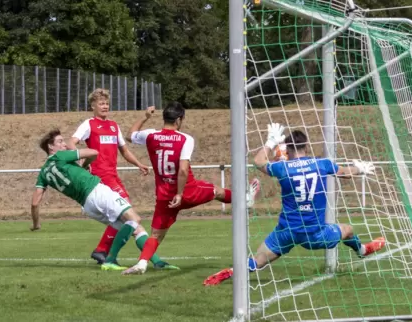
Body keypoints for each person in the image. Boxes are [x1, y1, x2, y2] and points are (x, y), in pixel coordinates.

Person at [202, 123, 386, 286]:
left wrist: (271, 142)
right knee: (347, 230)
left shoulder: (283, 168)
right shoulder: (321, 164)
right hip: (314, 233)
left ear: (287, 149)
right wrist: (360, 169)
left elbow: (258, 162)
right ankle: (362, 250)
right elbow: (345, 172)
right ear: (306, 146)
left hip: (286, 232)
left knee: (258, 260)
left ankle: (232, 272)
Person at [120, 102, 260, 275]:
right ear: (179, 120)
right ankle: (245, 198)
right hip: (187, 191)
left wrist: (145, 117)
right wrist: (179, 193)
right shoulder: (185, 139)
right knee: (216, 191)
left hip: (164, 196)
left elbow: (129, 135)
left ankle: (142, 263)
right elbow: (183, 169)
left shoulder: (150, 135)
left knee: (156, 235)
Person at [67, 88, 177, 270]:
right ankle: (152, 260)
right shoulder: (89, 124)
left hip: (113, 176)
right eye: (101, 103)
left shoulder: (113, 126)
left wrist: (139, 164)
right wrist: (78, 157)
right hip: (100, 178)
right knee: (130, 216)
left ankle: (103, 250)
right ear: (93, 105)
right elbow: (72, 141)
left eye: (106, 103)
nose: (104, 106)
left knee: (125, 219)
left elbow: (124, 150)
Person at [30, 129, 149, 271]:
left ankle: (157, 262)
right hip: (96, 191)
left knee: (132, 227)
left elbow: (35, 202)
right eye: (60, 142)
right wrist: (85, 164)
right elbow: (93, 152)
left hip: (87, 205)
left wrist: (36, 224)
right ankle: (111, 259)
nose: (65, 145)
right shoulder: (60, 156)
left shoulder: (43, 172)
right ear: (50, 147)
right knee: (134, 219)